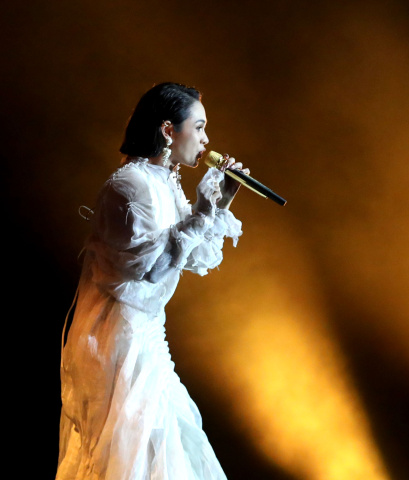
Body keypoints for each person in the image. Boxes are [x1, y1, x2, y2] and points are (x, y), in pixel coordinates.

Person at [56, 82, 246, 479]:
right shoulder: (128, 186)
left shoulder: (163, 181)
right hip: (120, 343)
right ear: (168, 130)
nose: (206, 139)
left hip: (148, 337)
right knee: (137, 450)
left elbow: (195, 256)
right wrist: (202, 211)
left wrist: (221, 201)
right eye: (199, 127)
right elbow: (151, 270)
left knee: (172, 445)